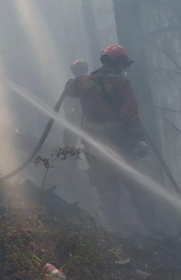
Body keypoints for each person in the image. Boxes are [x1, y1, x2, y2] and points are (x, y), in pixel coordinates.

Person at [65, 45, 155, 232]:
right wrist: (139, 139)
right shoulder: (121, 83)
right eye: (123, 63)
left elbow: (69, 90)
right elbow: (130, 112)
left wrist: (74, 81)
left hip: (92, 143)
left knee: (107, 188)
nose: (124, 67)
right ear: (117, 62)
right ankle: (152, 227)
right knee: (137, 184)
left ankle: (111, 229)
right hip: (119, 142)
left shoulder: (84, 81)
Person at [62, 59, 89, 148]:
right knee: (69, 138)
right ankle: (70, 155)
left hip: (88, 119)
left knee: (89, 143)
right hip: (78, 118)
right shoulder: (72, 85)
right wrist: (69, 118)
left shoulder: (90, 83)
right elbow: (67, 105)